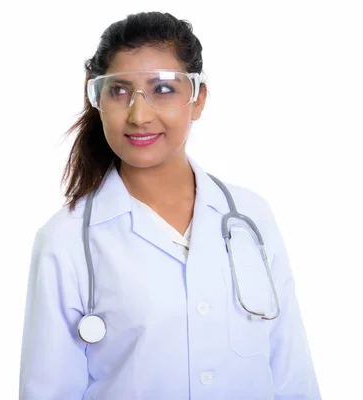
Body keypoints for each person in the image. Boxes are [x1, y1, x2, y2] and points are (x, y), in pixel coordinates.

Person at [19, 11, 320, 399]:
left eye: (163, 89)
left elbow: (291, 370)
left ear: (198, 99)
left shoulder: (251, 217)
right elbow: (48, 390)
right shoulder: (64, 241)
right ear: (98, 99)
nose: (139, 115)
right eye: (119, 90)